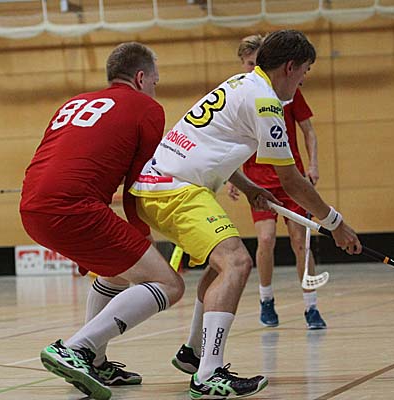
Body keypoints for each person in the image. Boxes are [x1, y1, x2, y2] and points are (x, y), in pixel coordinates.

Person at [130, 29, 362, 400]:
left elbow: (212, 144)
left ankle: (194, 353)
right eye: (304, 71)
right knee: (237, 262)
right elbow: (292, 181)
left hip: (161, 183)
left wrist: (249, 187)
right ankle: (209, 373)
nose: (303, 80)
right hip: (176, 188)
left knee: (220, 265)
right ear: (290, 67)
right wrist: (336, 224)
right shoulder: (266, 102)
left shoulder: (241, 83)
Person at [20, 42, 185, 400]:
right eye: (155, 81)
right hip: (74, 208)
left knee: (116, 272)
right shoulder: (147, 108)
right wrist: (141, 234)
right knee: (169, 284)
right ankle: (76, 348)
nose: (155, 88)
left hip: (32, 207)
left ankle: (93, 360)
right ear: (140, 78)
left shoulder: (74, 102)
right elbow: (137, 184)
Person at [227, 34, 326, 329]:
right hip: (259, 181)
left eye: (257, 62)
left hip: (290, 177)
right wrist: (234, 176)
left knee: (300, 242)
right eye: (249, 64)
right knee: (266, 239)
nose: (253, 68)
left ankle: (311, 306)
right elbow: (233, 139)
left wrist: (313, 164)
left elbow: (309, 131)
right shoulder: (244, 93)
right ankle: (266, 299)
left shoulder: (287, 91)